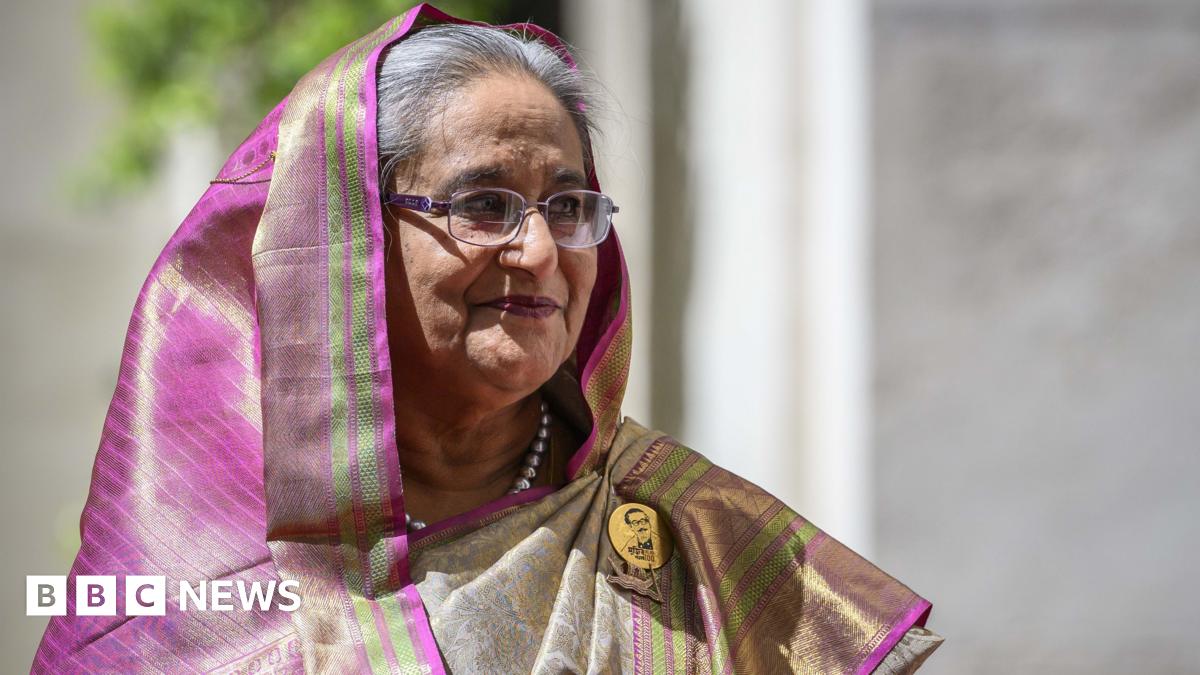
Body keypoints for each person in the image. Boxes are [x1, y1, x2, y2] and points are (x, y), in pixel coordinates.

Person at [33, 4, 941, 673]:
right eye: (483, 204)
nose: (542, 251)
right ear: (346, 242)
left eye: (569, 205)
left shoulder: (700, 541)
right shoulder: (191, 566)